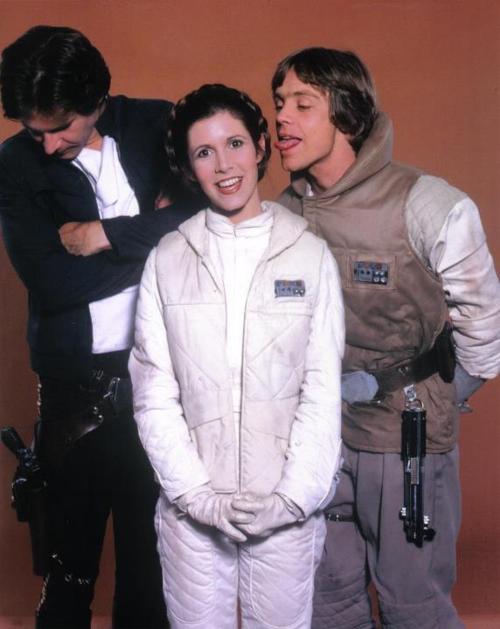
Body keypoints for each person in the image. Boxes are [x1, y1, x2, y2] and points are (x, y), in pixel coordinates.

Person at [271, 47, 500, 628]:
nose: (281, 118)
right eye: (279, 103)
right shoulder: (281, 215)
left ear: (346, 115)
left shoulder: (428, 204)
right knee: (328, 602)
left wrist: (436, 394)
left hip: (404, 442)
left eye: (302, 104)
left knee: (413, 604)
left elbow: (485, 329)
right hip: (318, 442)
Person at [128, 83, 345, 629]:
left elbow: (322, 391)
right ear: (189, 168)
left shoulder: (309, 254)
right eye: (204, 152)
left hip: (285, 511)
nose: (224, 165)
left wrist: (292, 501)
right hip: (192, 518)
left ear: (260, 147)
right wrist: (196, 497)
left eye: (235, 144)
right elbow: (154, 394)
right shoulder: (168, 259)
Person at [0, 25, 192, 629]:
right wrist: (159, 242)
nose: (48, 143)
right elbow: (52, 282)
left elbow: (213, 210)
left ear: (96, 98)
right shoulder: (15, 162)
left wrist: (105, 235)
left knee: (150, 569)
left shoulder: (159, 124)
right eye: (34, 129)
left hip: (163, 381)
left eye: (61, 126)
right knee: (68, 570)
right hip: (73, 393)